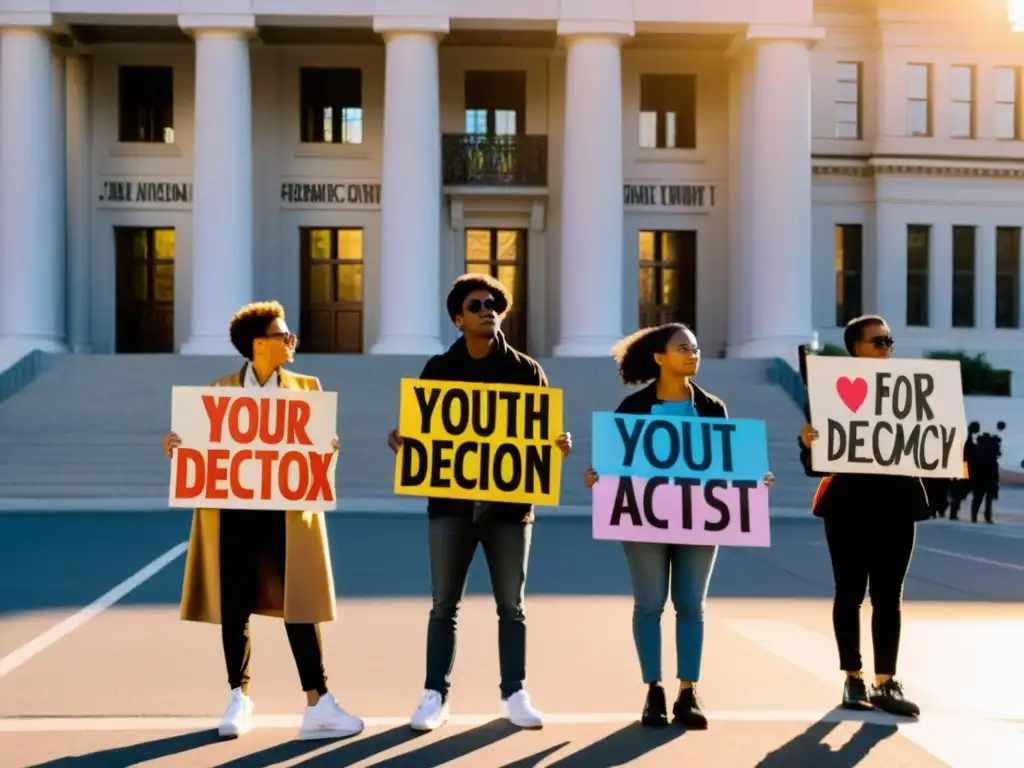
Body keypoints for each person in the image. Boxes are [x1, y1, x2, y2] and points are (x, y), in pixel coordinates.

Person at [163, 301, 363, 740]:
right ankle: (239, 696)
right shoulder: (218, 391)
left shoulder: (308, 388)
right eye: (283, 335)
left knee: (301, 607)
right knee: (234, 605)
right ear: (259, 345)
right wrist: (179, 447)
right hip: (234, 514)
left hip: (288, 516)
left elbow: (317, 457)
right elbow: (203, 452)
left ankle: (319, 702)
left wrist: (328, 449)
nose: (292, 342)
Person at [387, 274, 572, 732]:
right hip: (450, 508)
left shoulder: (527, 371)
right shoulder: (437, 369)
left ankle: (514, 692)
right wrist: (404, 443)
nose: (487, 309)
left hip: (510, 511)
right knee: (442, 605)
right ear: (457, 318)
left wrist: (557, 445)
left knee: (512, 605)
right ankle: (435, 693)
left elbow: (542, 434)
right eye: (476, 304)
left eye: (494, 303)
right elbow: (423, 434)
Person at [582, 323, 774, 730]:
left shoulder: (713, 408)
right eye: (683, 348)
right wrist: (597, 476)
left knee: (691, 605)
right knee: (649, 604)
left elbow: (727, 463)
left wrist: (753, 478)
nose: (693, 354)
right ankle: (654, 689)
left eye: (696, 348)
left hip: (699, 521)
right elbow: (611, 464)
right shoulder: (632, 409)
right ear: (659, 358)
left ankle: (689, 690)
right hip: (643, 520)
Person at [798, 314, 926, 718]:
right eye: (878, 341)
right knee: (850, 593)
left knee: (889, 597)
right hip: (849, 504)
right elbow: (820, 463)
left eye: (890, 340)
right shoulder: (830, 392)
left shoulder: (913, 390)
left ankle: (886, 680)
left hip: (897, 503)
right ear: (856, 347)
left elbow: (925, 446)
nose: (887, 346)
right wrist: (809, 445)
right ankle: (853, 677)